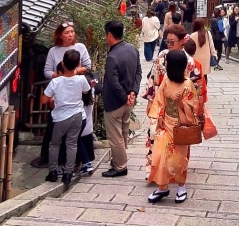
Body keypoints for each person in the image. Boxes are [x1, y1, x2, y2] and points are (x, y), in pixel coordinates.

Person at [32, 22, 92, 168]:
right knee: (57, 129)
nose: (70, 35)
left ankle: (76, 162)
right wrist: (59, 75)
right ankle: (58, 161)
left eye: (72, 31)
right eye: (67, 32)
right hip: (60, 89)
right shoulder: (53, 51)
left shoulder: (80, 47)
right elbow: (47, 71)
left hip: (74, 91)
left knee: (74, 133)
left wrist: (74, 72)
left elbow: (88, 66)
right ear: (59, 34)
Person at [147, 50, 200, 204]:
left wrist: (179, 101)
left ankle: (181, 187)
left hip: (180, 125)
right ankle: (162, 187)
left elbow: (192, 107)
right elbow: (160, 99)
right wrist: (161, 116)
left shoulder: (187, 84)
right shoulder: (166, 80)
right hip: (166, 123)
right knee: (161, 155)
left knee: (179, 158)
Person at [42, 48, 91, 186]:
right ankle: (68, 174)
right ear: (77, 65)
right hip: (77, 116)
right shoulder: (81, 79)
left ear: (62, 64)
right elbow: (86, 90)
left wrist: (53, 97)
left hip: (60, 117)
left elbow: (44, 100)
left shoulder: (55, 82)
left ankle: (52, 172)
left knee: (54, 144)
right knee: (72, 143)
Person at [101, 19, 142, 178]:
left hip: (116, 102)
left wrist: (124, 96)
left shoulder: (112, 56)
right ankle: (119, 160)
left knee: (115, 136)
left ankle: (120, 166)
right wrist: (133, 92)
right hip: (129, 100)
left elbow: (113, 82)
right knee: (123, 132)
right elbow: (138, 73)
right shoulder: (132, 49)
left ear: (109, 35)